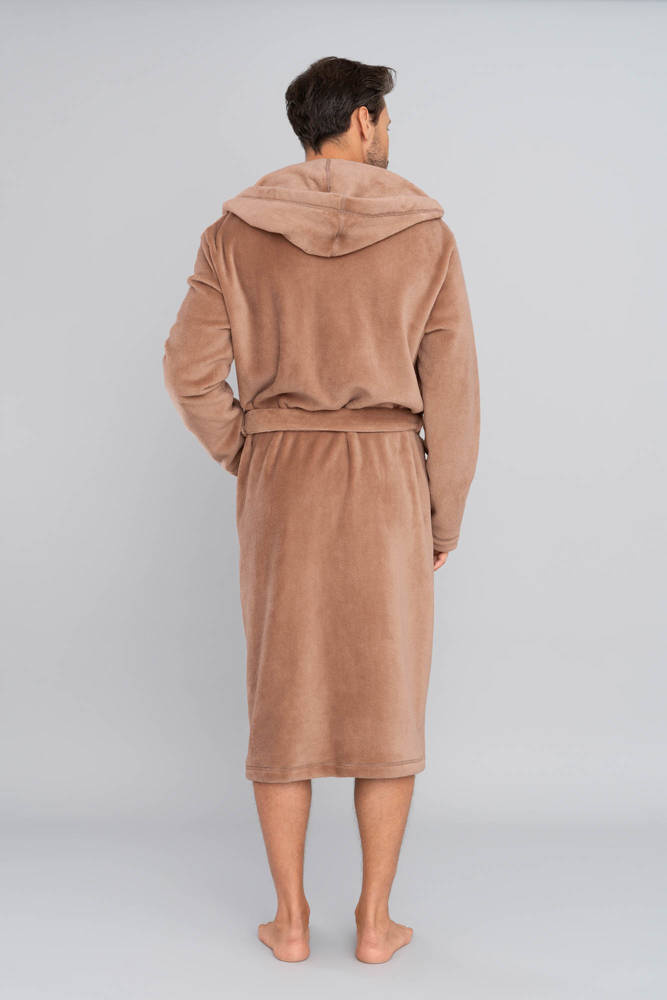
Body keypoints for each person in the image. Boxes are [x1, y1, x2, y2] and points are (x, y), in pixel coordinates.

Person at [162, 56, 480, 965]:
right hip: (388, 481)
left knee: (284, 695)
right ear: (365, 120)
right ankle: (375, 923)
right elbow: (452, 394)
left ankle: (290, 920)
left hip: (283, 483)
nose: (389, 134)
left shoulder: (235, 232)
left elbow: (186, 371)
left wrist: (248, 449)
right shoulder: (425, 235)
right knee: (388, 701)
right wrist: (441, 517)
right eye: (386, 120)